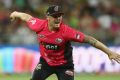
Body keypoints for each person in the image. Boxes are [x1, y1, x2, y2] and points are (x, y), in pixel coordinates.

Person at [10, 5, 120, 80]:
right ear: (48, 17)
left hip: (64, 66)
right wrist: (16, 13)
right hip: (45, 63)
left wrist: (109, 52)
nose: (58, 19)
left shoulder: (67, 32)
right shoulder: (38, 26)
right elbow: (26, 17)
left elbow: (91, 40)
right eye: (55, 16)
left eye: (60, 16)